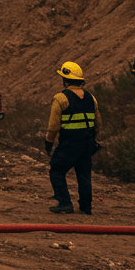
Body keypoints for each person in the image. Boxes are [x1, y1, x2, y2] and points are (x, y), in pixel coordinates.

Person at [45, 62, 100, 215]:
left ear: (66, 80)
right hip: (87, 143)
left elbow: (53, 126)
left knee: (56, 170)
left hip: (69, 143)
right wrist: (93, 139)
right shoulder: (91, 97)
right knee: (84, 174)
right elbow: (98, 123)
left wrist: (49, 142)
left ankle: (64, 203)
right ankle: (86, 207)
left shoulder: (61, 98)